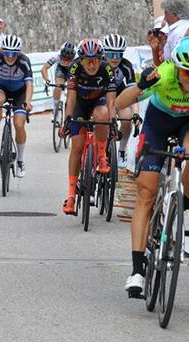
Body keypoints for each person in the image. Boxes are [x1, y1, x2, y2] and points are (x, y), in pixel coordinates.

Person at [115, 36, 189, 296]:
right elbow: (120, 104)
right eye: (188, 73)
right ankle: (136, 271)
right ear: (177, 67)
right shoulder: (164, 73)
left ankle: (187, 208)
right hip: (158, 122)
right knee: (145, 194)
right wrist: (140, 86)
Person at [61, 38, 117, 215]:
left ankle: (101, 154)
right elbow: (70, 98)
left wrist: (113, 119)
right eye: (87, 60)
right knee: (77, 146)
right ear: (81, 59)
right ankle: (71, 195)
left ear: (100, 59)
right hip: (79, 103)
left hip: (98, 101)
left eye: (95, 60)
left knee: (103, 115)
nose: (91, 65)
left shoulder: (106, 68)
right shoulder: (75, 67)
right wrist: (67, 120)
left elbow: (111, 99)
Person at [0, 34, 33, 177]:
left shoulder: (24, 61)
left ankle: (20, 160)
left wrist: (28, 102)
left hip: (20, 92)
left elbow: (29, 84)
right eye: (7, 53)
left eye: (14, 53)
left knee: (19, 125)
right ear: (2, 51)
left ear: (19, 53)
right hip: (2, 87)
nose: (10, 56)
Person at [101, 33, 137, 166]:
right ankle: (100, 149)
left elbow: (134, 93)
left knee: (127, 118)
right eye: (111, 54)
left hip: (119, 94)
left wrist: (136, 113)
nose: (115, 58)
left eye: (119, 54)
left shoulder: (126, 66)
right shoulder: (98, 63)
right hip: (101, 94)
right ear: (104, 53)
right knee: (101, 118)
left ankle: (121, 150)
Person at [41, 42, 76, 118]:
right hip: (61, 69)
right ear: (61, 55)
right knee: (58, 86)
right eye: (64, 58)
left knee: (73, 90)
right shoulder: (57, 56)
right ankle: (55, 107)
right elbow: (44, 68)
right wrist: (47, 80)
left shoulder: (77, 58)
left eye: (68, 59)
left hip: (73, 69)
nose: (66, 62)